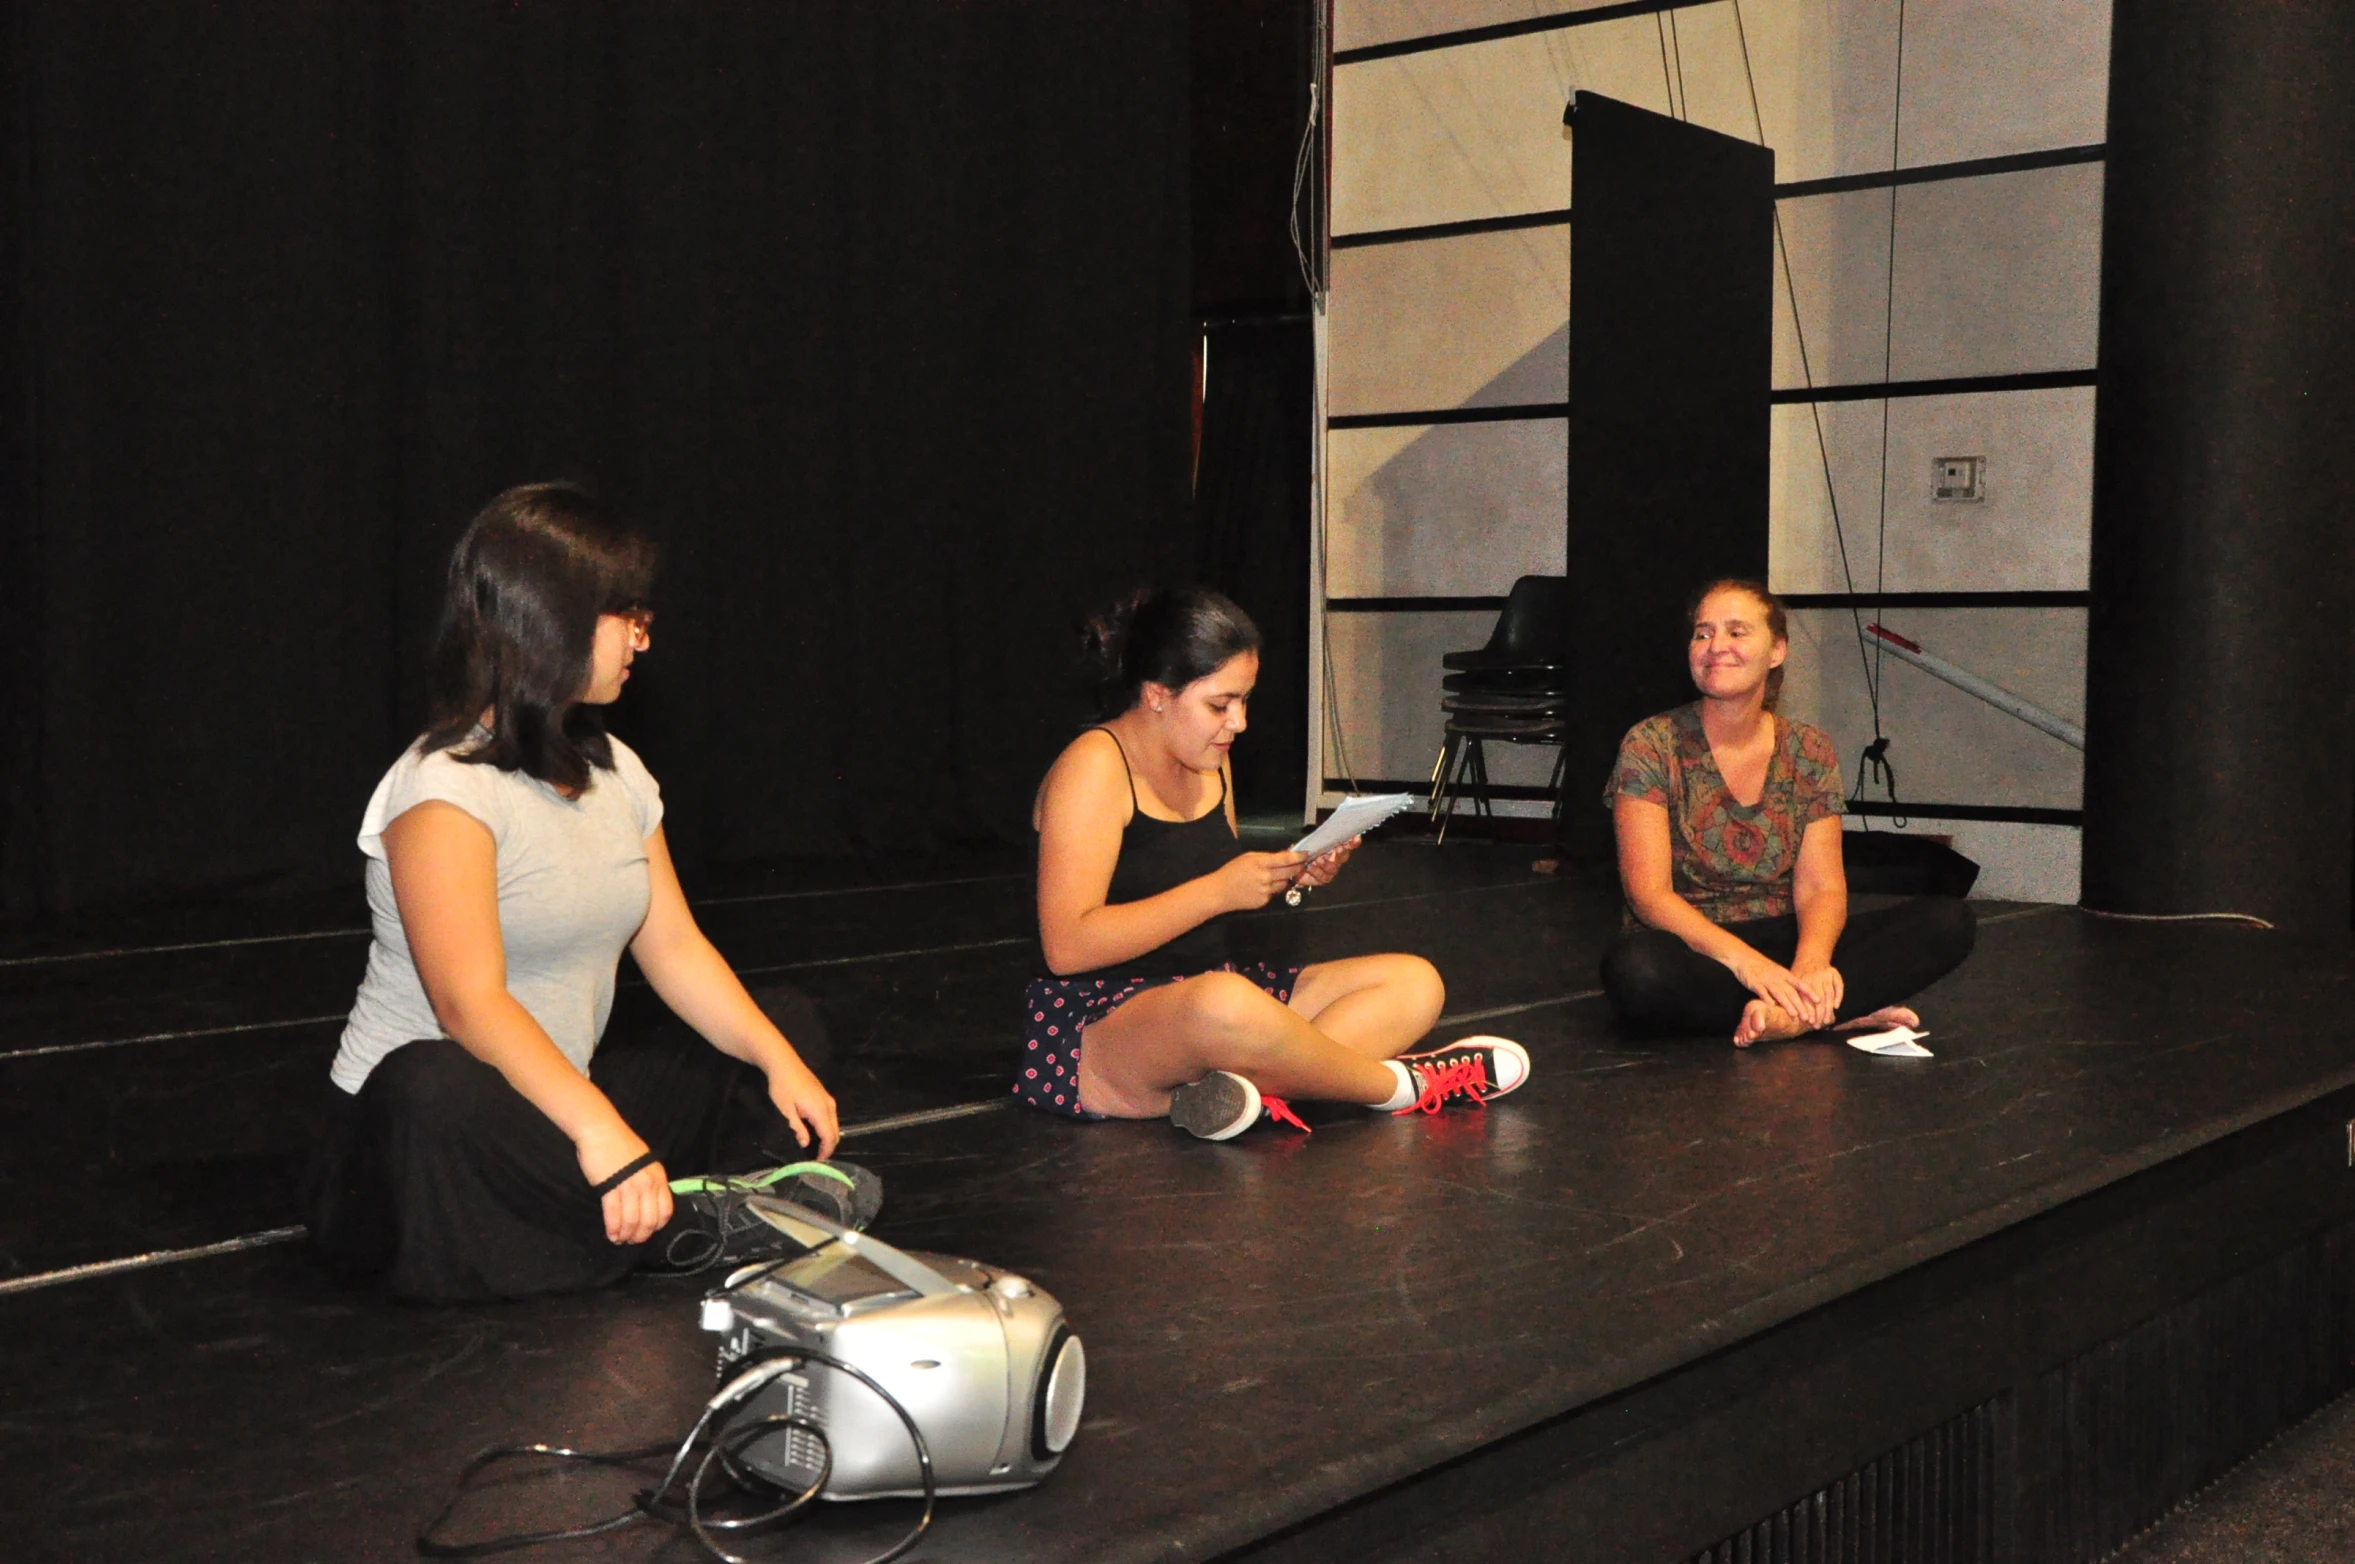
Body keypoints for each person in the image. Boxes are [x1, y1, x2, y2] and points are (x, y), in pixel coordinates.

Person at [303, 483, 843, 1302]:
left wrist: (777, 1059)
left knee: (782, 1029)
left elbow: (673, 947)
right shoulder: (440, 790)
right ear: (546, 618)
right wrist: (604, 1135)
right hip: (413, 1146)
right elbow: (469, 1006)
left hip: (555, 1106)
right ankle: (659, 1233)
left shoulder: (619, 772)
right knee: (433, 1084)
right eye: (623, 613)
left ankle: (621, 1228)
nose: (643, 637)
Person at [1024, 587, 1531, 1139]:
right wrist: (1219, 891)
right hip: (1101, 1023)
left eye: (1244, 701)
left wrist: (1294, 872)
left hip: (1210, 994)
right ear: (1157, 695)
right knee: (1223, 1004)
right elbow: (1068, 947)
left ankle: (1243, 1095)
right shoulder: (1094, 767)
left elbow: (1203, 880)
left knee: (1413, 983)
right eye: (1220, 705)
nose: (1237, 723)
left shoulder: (1208, 759)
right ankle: (1400, 1086)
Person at [1600, 578, 1976, 1046]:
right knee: (1637, 971)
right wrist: (1748, 965)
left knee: (1948, 922)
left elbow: (1821, 886)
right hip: (1699, 949)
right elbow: (1649, 896)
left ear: (1776, 650)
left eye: (1737, 632)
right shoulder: (1650, 743)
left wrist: (1812, 964)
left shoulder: (1809, 748)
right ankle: (1830, 1010)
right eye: (1702, 633)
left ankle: (1788, 1016)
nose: (1716, 646)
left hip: (1785, 940)